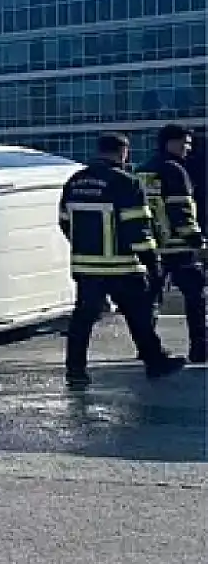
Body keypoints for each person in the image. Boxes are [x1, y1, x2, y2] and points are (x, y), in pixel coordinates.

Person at [58, 132, 185, 389]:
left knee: (82, 319)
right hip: (123, 266)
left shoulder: (75, 181)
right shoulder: (126, 182)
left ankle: (75, 371)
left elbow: (64, 221)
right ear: (122, 152)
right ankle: (155, 362)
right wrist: (152, 262)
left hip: (86, 266)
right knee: (139, 317)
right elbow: (137, 226)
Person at [136, 124, 206, 363]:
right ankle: (200, 350)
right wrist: (196, 238)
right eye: (185, 143)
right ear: (171, 143)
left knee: (150, 299)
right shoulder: (175, 170)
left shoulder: (143, 170)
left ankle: (146, 349)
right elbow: (181, 209)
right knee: (195, 297)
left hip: (151, 247)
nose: (188, 148)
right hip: (179, 247)